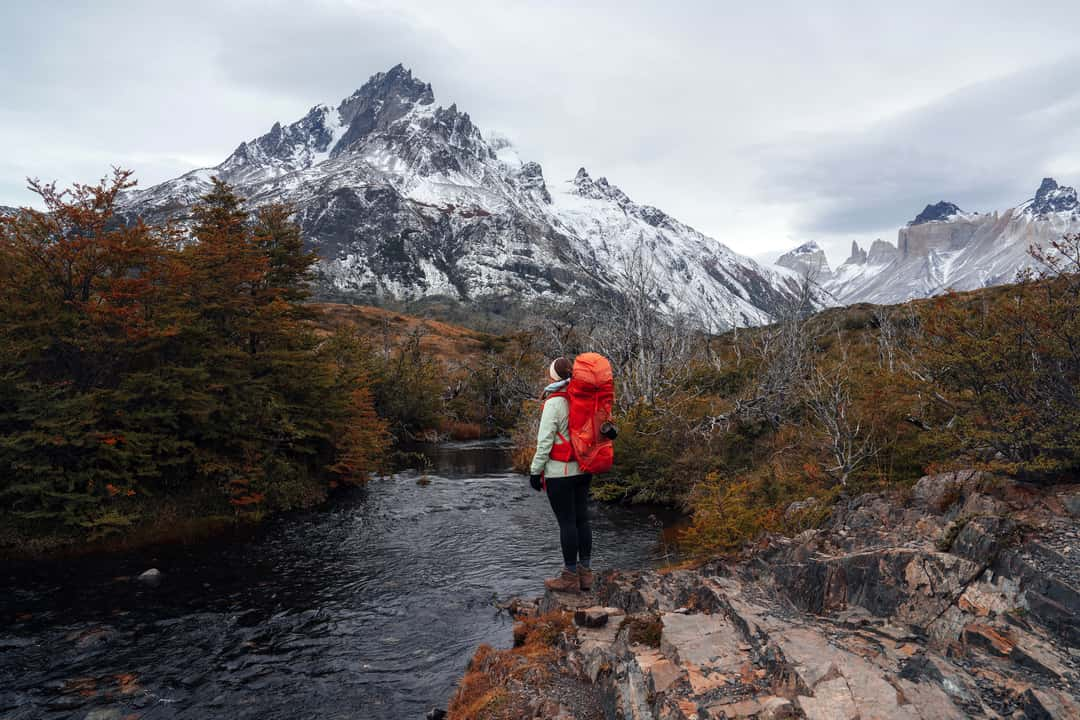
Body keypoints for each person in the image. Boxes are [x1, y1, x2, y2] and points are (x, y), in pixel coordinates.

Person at [529, 356, 593, 593]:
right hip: (584, 469)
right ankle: (586, 575)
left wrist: (535, 472)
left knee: (567, 523)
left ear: (553, 377)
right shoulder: (586, 398)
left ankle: (569, 577)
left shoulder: (554, 402)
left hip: (560, 472)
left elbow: (545, 442)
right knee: (582, 519)